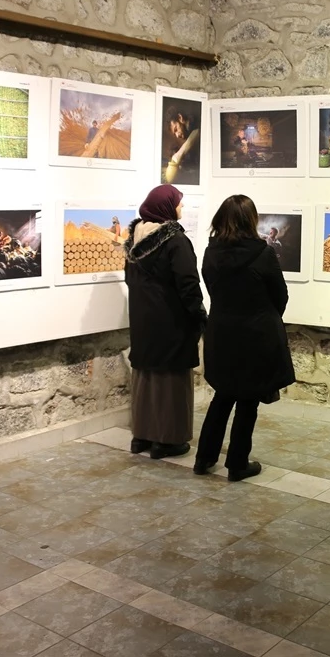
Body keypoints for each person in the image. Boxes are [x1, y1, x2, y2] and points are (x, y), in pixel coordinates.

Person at [195, 195, 295, 481]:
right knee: (248, 401)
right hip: (255, 335)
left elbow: (213, 291)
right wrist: (263, 316)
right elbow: (280, 295)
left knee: (223, 396)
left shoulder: (211, 252)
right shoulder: (262, 254)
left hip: (222, 333)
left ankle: (204, 458)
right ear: (251, 220)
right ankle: (237, 463)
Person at [124, 184, 207, 460]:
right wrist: (199, 315)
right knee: (171, 381)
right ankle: (167, 441)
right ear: (166, 208)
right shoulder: (175, 241)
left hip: (143, 321)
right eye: (179, 203)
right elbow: (188, 283)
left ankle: (142, 436)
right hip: (171, 320)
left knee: (145, 378)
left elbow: (131, 281)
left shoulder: (135, 240)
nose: (181, 208)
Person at [163, 105, 200, 184]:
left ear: (180, 118)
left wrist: (179, 155)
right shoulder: (188, 132)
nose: (177, 135)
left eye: (176, 129)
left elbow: (198, 132)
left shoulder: (197, 121)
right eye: (174, 133)